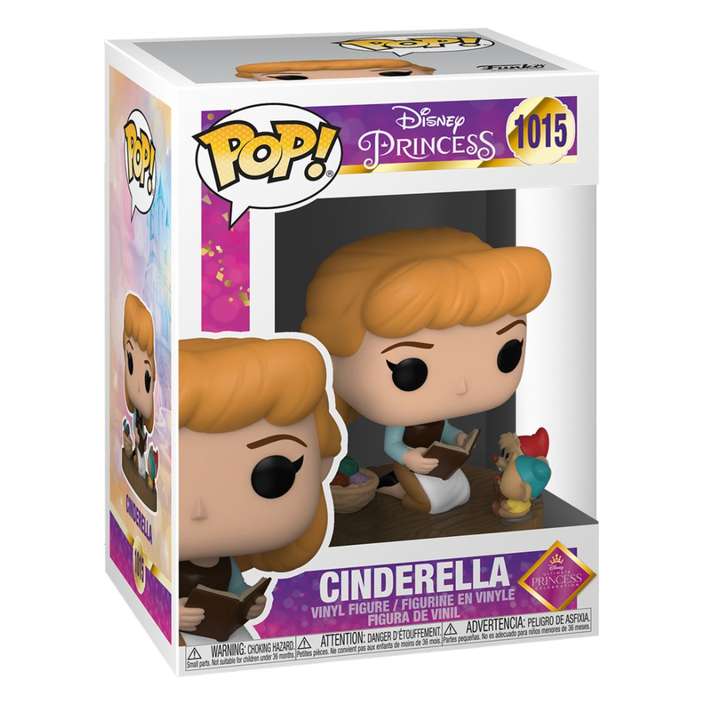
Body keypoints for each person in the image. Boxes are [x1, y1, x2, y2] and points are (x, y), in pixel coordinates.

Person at [302, 227, 551, 514]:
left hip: (438, 465)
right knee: (431, 502)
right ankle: (398, 488)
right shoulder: (401, 419)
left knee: (461, 492)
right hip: (413, 466)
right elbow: (392, 445)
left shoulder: (431, 414)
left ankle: (398, 487)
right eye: (410, 371)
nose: (461, 386)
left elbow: (444, 429)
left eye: (508, 353)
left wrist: (457, 439)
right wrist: (410, 458)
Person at [178, 337, 342, 643]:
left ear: (322, 464)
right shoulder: (171, 561)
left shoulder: (227, 562)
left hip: (224, 632)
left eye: (275, 475)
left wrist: (251, 604)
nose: (199, 510)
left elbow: (237, 590)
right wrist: (174, 612)